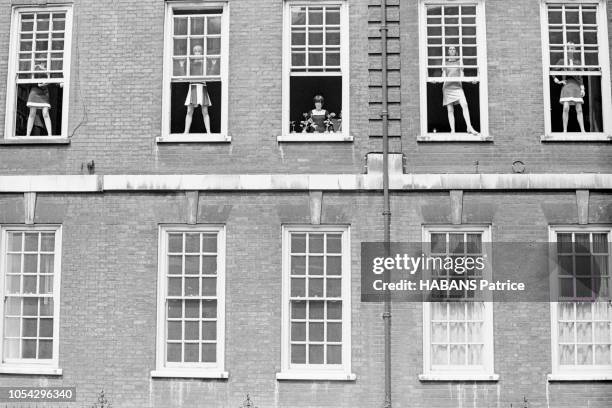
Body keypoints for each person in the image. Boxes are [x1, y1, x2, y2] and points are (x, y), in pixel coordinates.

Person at [442, 46, 478, 135]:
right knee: (450, 110)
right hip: (447, 87)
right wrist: (436, 80)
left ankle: (469, 127)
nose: (452, 50)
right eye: (450, 49)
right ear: (448, 52)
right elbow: (443, 76)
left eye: (453, 49)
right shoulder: (445, 63)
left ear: (456, 51)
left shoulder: (459, 62)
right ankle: (452, 130)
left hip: (457, 86)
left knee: (464, 104)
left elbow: (462, 75)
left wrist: (471, 80)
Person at [553, 41, 586, 132]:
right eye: (568, 48)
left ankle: (583, 130)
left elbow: (580, 76)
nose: (570, 50)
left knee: (579, 109)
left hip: (576, 86)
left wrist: (582, 88)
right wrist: (557, 80)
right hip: (567, 86)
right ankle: (564, 130)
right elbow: (552, 70)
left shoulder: (577, 62)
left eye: (572, 48)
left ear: (574, 50)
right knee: (566, 107)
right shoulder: (562, 61)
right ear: (565, 50)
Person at [182, 45, 211, 134]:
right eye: (195, 51)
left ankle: (209, 131)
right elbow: (184, 71)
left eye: (199, 51)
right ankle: (186, 131)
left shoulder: (205, 62)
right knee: (189, 110)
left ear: (202, 52)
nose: (197, 52)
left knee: (205, 111)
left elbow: (209, 72)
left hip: (202, 86)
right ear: (193, 53)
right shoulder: (189, 63)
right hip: (193, 86)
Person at [26, 63, 53, 136]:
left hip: (44, 92)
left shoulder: (50, 67)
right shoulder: (35, 67)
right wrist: (37, 84)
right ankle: (27, 135)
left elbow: (53, 78)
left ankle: (50, 135)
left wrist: (59, 83)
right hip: (35, 92)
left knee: (45, 113)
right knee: (32, 113)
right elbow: (28, 79)